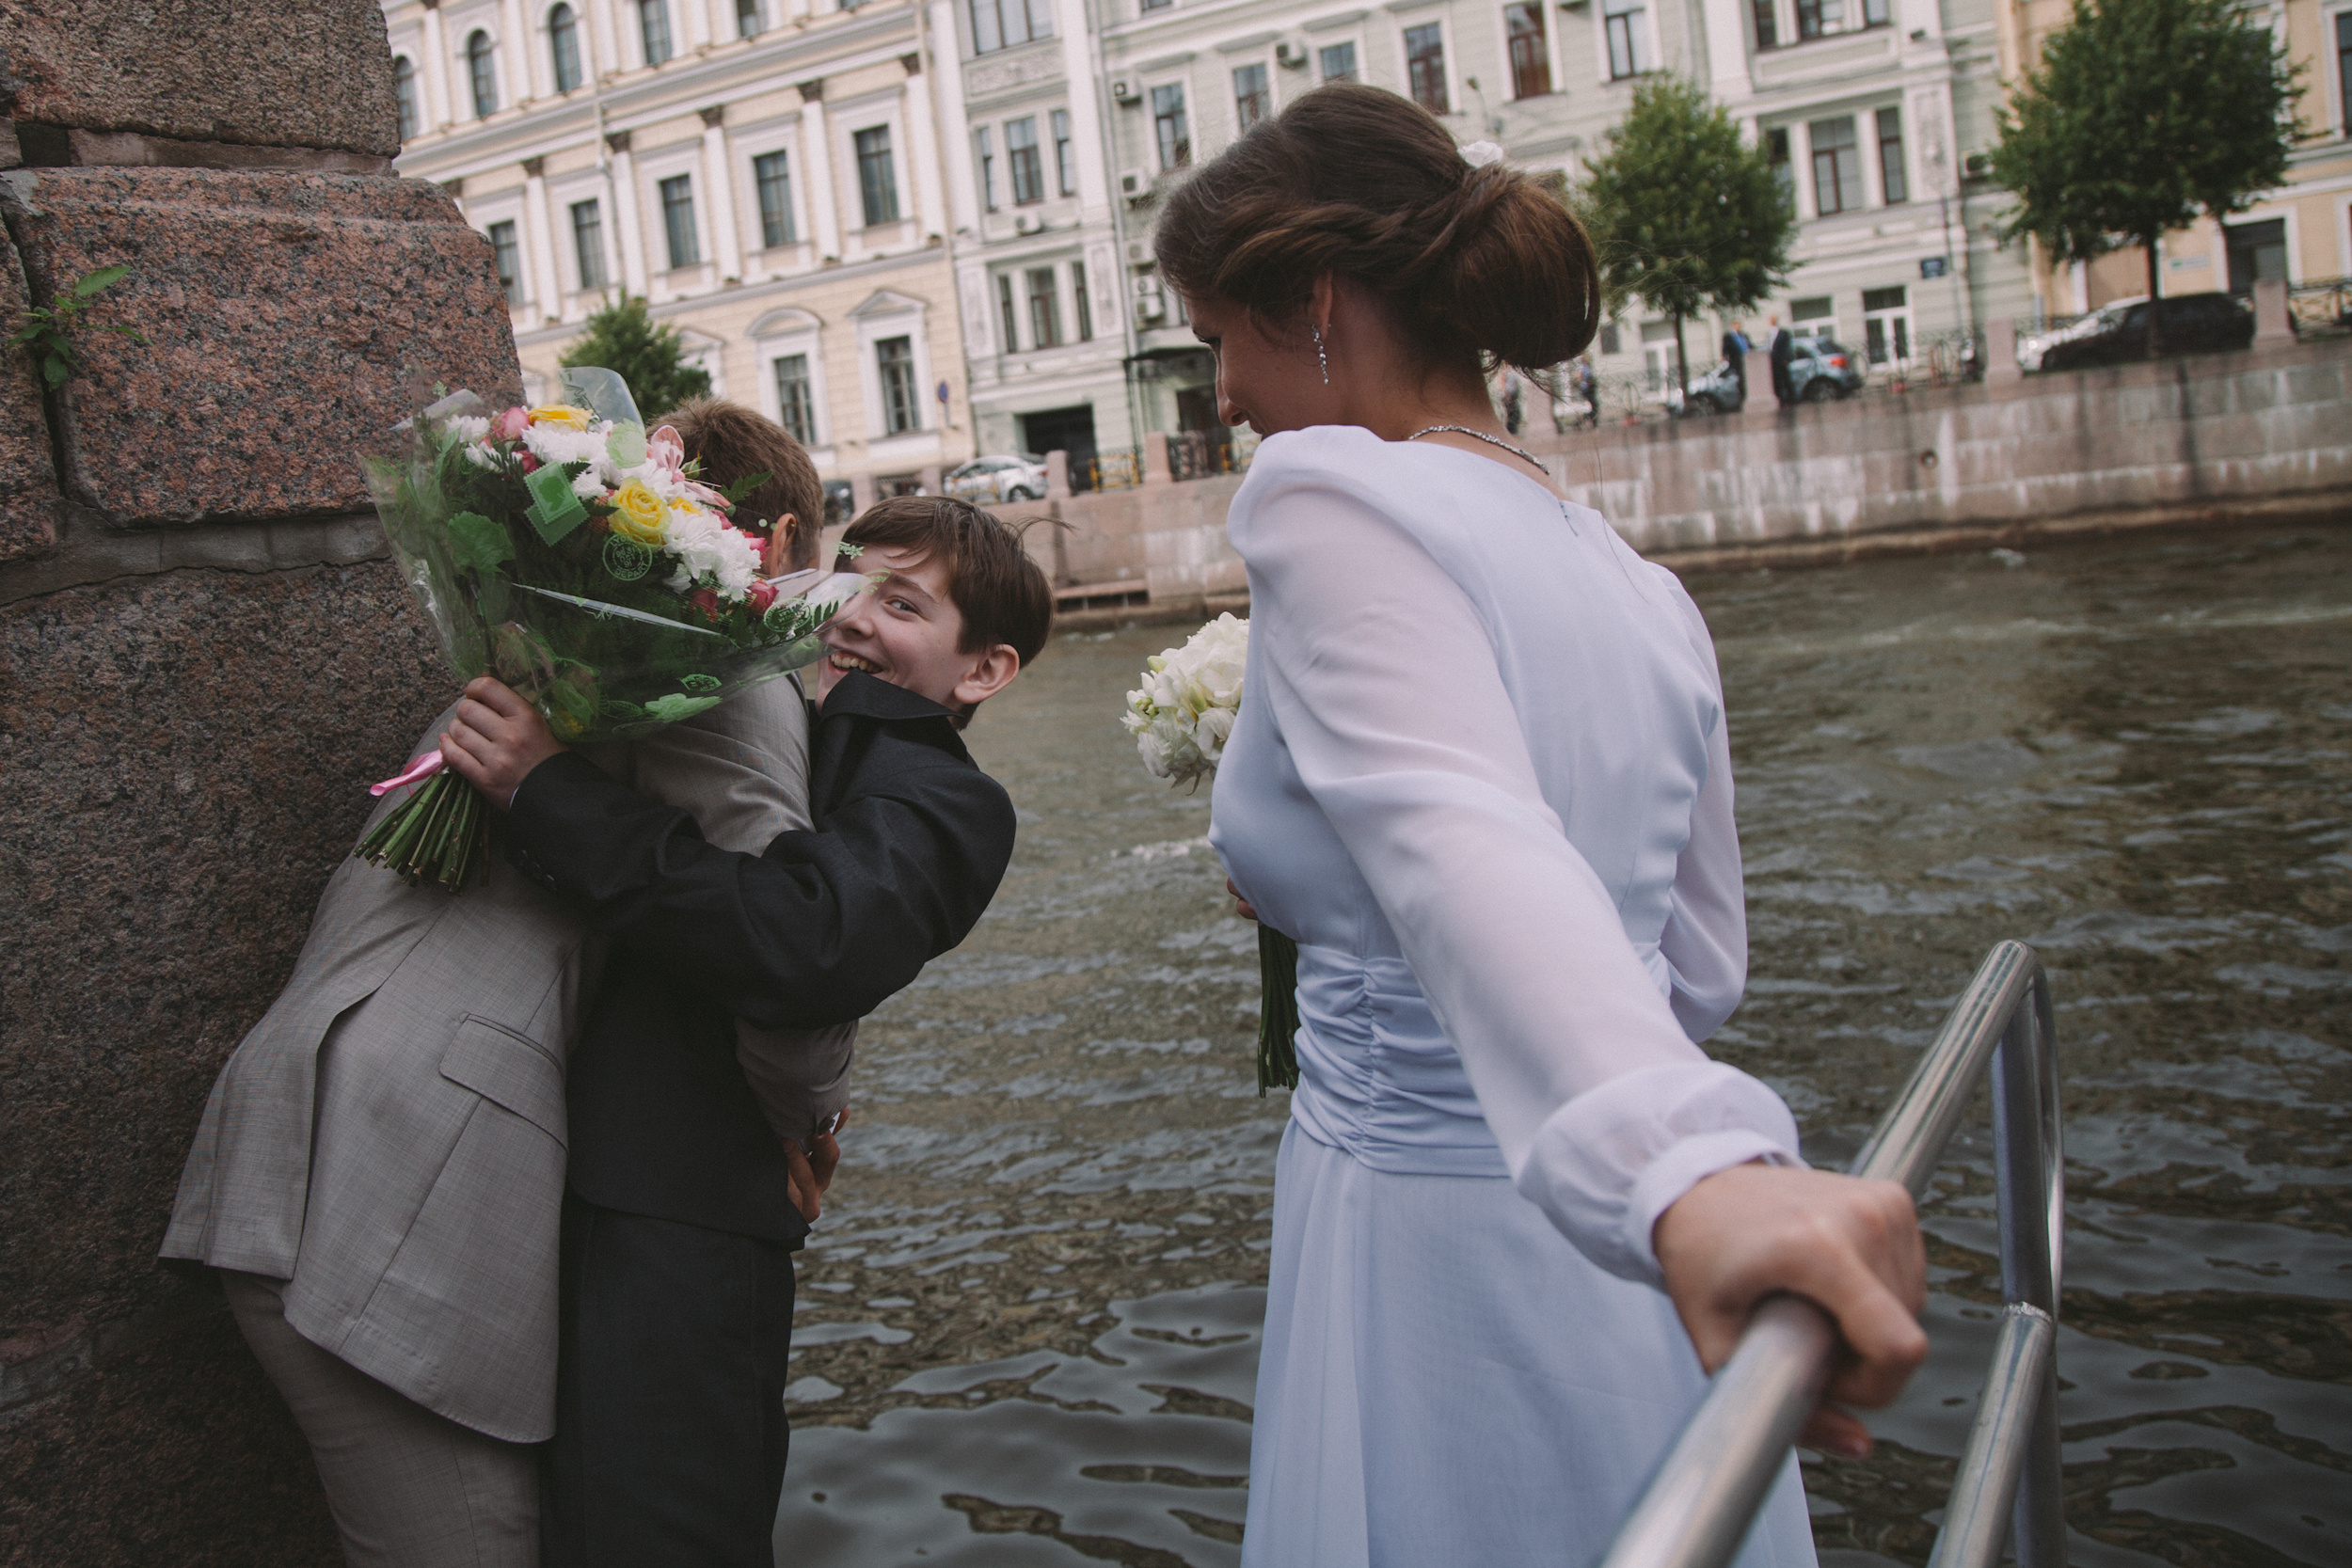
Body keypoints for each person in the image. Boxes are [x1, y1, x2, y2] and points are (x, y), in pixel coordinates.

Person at [1152, 85, 1926, 1564]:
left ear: (1313, 299)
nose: (1226, 393)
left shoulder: (1330, 498)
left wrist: (1683, 1169)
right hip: (1627, 1261)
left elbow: (1461, 838)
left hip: (1432, 1252)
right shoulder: (1641, 583)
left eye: (1217, 338)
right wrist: (1674, 1162)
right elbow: (1694, 966)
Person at [160, 398, 846, 1567]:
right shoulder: (714, 662)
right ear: (774, 543)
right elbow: (774, 933)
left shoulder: (527, 647)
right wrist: (806, 1116)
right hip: (389, 1189)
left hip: (313, 1133)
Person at [437, 495, 1055, 1568]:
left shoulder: (950, 799)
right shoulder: (758, 707)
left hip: (688, 1213)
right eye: (850, 581)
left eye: (904, 604)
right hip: (561, 1172)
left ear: (985, 669)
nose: (853, 616)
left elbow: (804, 942)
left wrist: (547, 790)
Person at [1770, 314, 1796, 406]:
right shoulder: (1770, 333)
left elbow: (1787, 347)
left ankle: (1792, 400)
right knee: (1777, 382)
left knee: (1786, 381)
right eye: (1770, 319)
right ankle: (1781, 401)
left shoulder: (1783, 333)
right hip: (1773, 362)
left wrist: (1786, 358)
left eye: (1773, 319)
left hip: (1782, 361)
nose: (1771, 321)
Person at [1722, 321, 1752, 400]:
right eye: (1737, 324)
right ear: (1733, 325)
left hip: (1747, 362)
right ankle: (1742, 397)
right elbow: (1725, 349)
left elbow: (1750, 346)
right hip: (1736, 363)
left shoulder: (1744, 336)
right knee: (1740, 381)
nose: (1738, 326)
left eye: (1739, 325)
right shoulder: (1728, 337)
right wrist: (1724, 358)